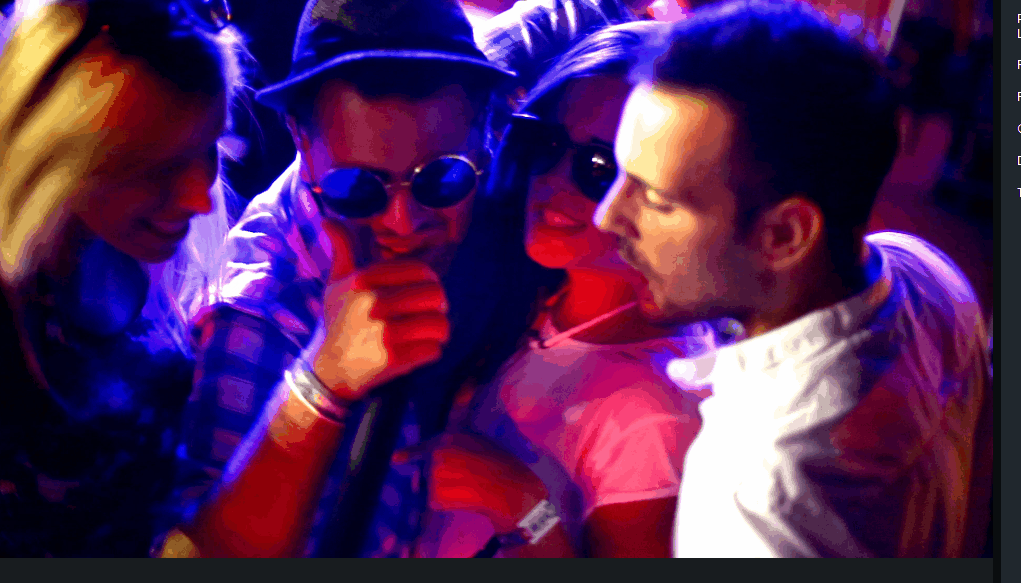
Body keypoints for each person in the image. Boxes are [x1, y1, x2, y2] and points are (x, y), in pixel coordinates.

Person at [595, 0, 992, 557]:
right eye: (617, 174)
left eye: (658, 200)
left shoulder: (755, 499)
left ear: (784, 235)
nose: (608, 216)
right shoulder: (929, 271)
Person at [165, 0, 547, 558]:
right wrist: (320, 384)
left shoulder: (504, 198)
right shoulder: (256, 317)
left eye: (440, 178)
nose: (403, 222)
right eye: (358, 187)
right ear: (302, 141)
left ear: (485, 136)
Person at [409, 21, 730, 559]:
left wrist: (523, 507)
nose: (555, 179)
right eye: (548, 143)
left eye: (600, 167)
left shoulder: (654, 414)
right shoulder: (528, 291)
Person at [0, 0, 242, 557]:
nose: (201, 199)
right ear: (53, 155)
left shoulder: (140, 251)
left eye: (208, 146)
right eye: (155, 167)